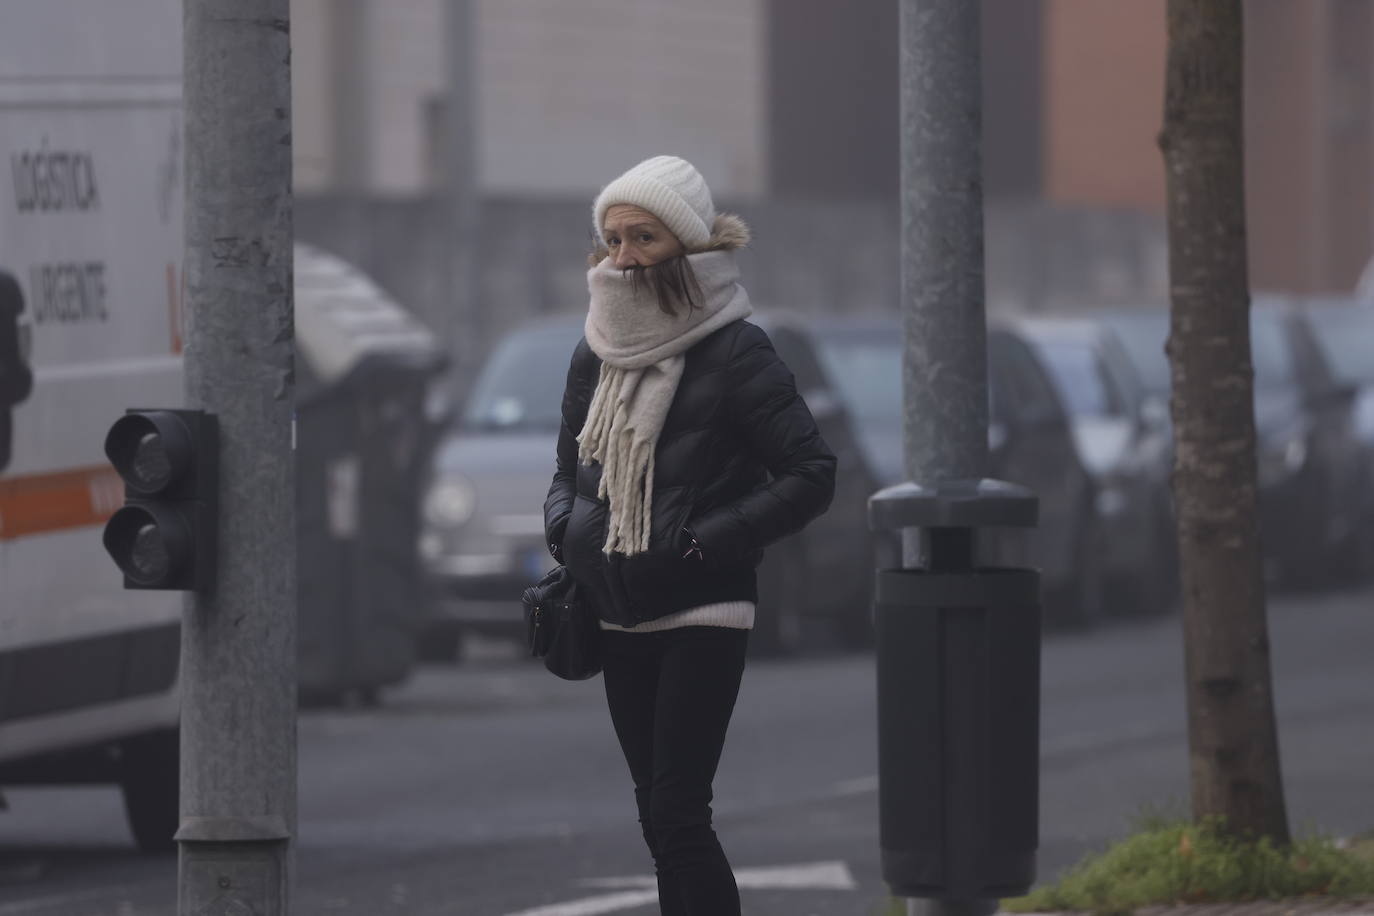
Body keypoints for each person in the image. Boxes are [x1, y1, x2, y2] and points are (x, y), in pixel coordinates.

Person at [543, 156, 837, 915]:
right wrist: (566, 533)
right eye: (612, 239)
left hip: (702, 610)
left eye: (643, 237)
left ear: (689, 246)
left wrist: (703, 544)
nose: (624, 257)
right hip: (616, 606)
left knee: (678, 812)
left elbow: (810, 471)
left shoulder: (738, 351)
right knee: (657, 816)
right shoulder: (595, 349)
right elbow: (568, 464)